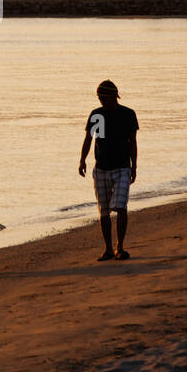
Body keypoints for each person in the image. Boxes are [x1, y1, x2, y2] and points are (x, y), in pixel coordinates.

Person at [78, 80, 138, 261]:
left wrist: (134, 166)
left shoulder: (127, 114)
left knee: (120, 207)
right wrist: (82, 160)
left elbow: (132, 142)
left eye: (104, 97)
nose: (101, 101)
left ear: (114, 97)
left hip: (122, 168)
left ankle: (120, 247)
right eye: (100, 98)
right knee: (104, 211)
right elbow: (89, 139)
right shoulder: (97, 115)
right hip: (101, 168)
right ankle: (108, 249)